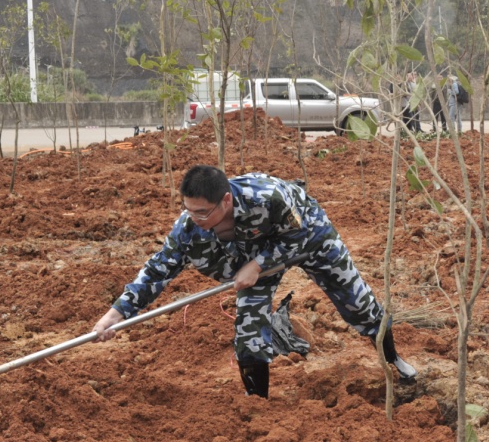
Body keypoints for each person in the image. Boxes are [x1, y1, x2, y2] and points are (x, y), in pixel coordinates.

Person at [92, 166, 417, 398]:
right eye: (189, 211)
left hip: (308, 238)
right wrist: (116, 314)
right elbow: (156, 271)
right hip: (251, 264)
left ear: (226, 202)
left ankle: (395, 361)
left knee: (359, 305)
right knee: (249, 337)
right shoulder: (189, 228)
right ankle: (257, 404)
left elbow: (301, 236)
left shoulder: (267, 198)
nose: (195, 219)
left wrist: (259, 263)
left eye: (203, 212)